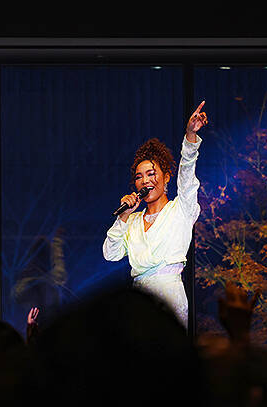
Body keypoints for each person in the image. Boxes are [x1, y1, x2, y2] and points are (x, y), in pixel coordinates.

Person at [103, 101, 208, 328]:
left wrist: (190, 137)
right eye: (139, 177)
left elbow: (187, 175)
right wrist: (123, 216)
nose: (145, 181)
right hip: (138, 300)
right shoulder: (132, 221)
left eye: (151, 174)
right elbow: (110, 254)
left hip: (169, 297)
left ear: (166, 176)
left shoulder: (181, 210)